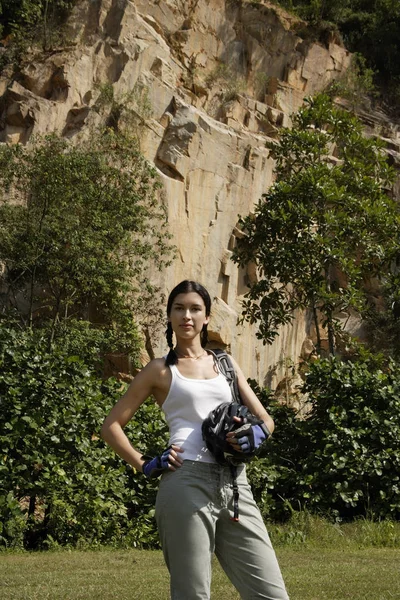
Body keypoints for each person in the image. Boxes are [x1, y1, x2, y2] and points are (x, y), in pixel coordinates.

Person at [101, 280, 289, 600]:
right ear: (170, 316)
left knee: (271, 594)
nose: (186, 315)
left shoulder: (226, 364)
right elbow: (111, 426)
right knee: (193, 595)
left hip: (235, 484)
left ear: (206, 317)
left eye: (195, 309)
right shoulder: (159, 370)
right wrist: (146, 464)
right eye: (179, 308)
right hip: (185, 481)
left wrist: (255, 434)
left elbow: (267, 420)